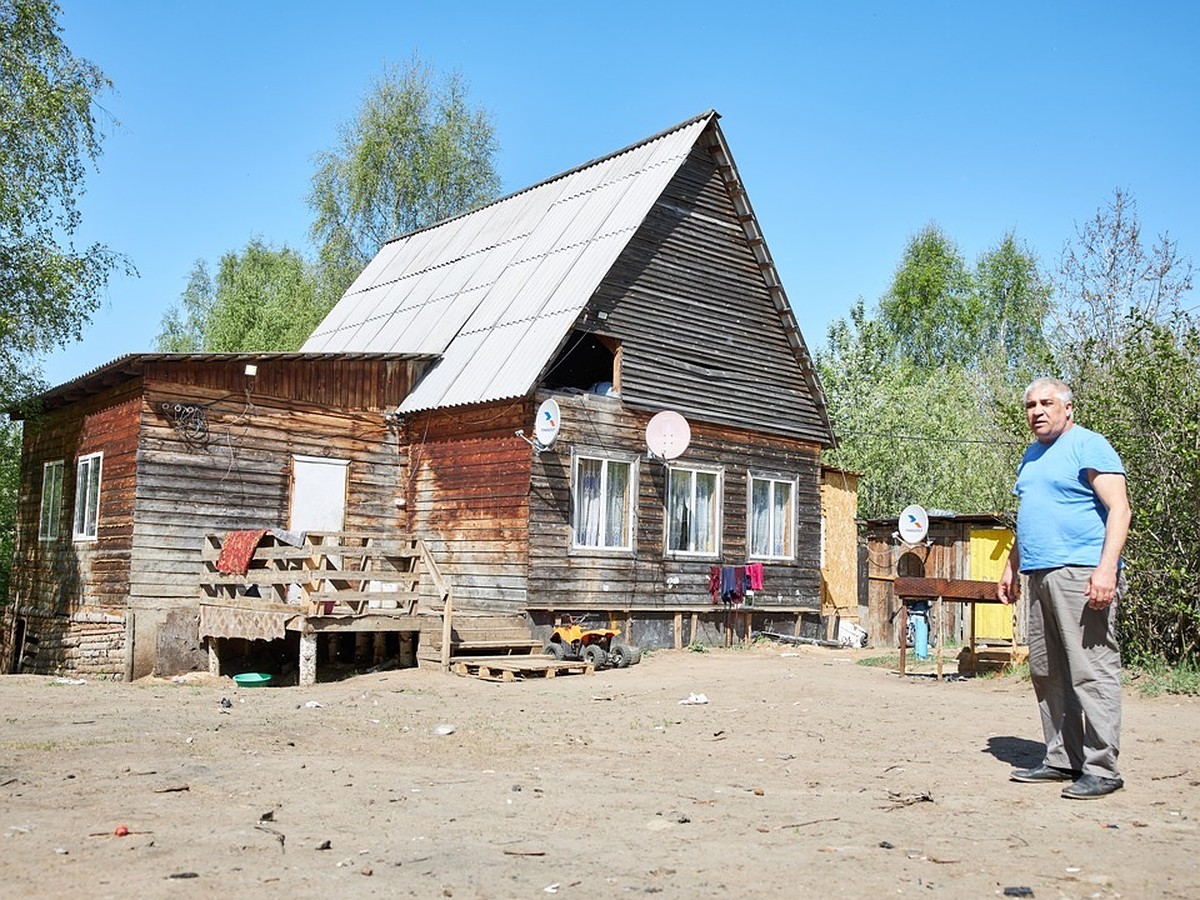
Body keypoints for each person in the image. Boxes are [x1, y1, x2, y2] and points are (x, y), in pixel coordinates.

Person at [998, 376, 1131, 800]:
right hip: (1038, 574)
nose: (1037, 411)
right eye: (1031, 405)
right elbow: (1030, 514)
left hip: (1081, 572)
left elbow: (1120, 509)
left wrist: (1106, 569)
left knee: (1091, 671)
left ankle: (1101, 768)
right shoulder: (1031, 455)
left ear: (1068, 408)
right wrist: (1010, 564)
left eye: (1047, 403)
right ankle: (1061, 759)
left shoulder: (1089, 445)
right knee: (1047, 671)